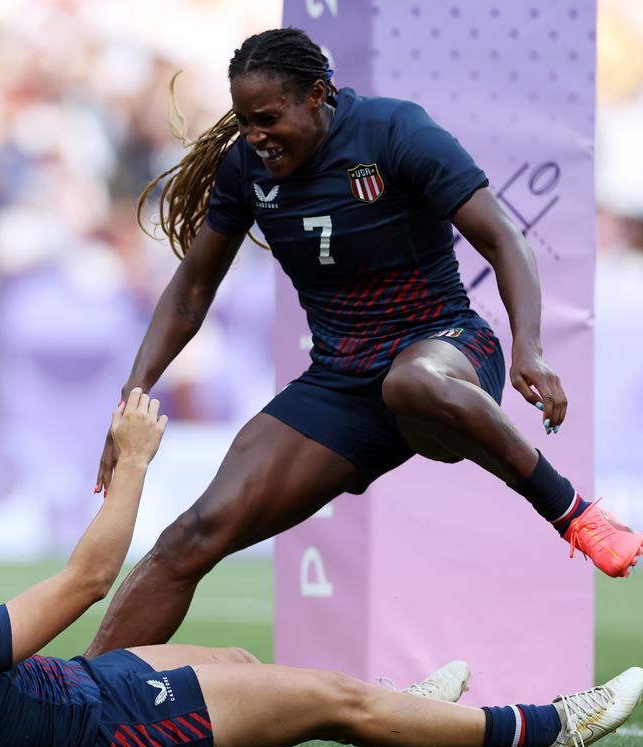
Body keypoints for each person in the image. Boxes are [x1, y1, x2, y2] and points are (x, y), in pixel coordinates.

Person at [85, 27, 643, 658]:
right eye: (244, 121)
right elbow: (190, 291)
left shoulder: (394, 131)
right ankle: (76, 704)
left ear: (318, 95)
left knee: (410, 382)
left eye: (268, 119)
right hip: (340, 382)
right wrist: (134, 392)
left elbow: (503, 239)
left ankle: (574, 512)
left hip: (446, 349)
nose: (255, 137)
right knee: (193, 534)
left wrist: (529, 347)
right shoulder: (247, 167)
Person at [0, 390, 641, 747]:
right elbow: (92, 577)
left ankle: (415, 709)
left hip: (81, 695)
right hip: (111, 732)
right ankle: (545, 730)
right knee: (332, 701)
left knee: (247, 662)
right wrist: (133, 461)